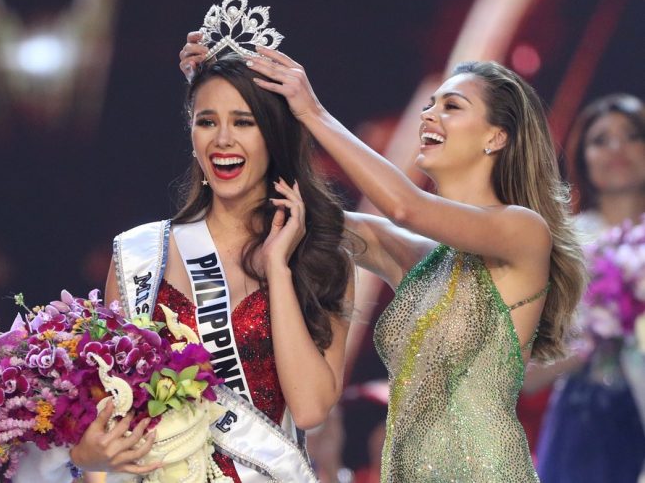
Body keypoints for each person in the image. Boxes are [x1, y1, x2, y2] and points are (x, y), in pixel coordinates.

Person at [180, 35, 586, 481]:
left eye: (451, 106)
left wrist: (312, 110)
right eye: (430, 104)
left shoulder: (524, 230)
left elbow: (404, 206)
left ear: (496, 136)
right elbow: (292, 207)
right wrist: (227, 98)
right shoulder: (419, 258)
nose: (429, 114)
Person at [67, 49, 354, 481]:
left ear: (274, 135)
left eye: (243, 121)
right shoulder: (142, 252)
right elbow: (112, 404)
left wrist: (278, 269)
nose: (222, 139)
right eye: (207, 121)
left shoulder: (321, 258)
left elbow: (311, 409)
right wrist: (87, 456)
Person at [528, 93, 645, 483]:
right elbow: (523, 375)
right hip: (584, 427)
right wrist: (598, 334)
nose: (616, 148)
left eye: (631, 135)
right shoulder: (562, 244)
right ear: (582, 157)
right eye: (600, 140)